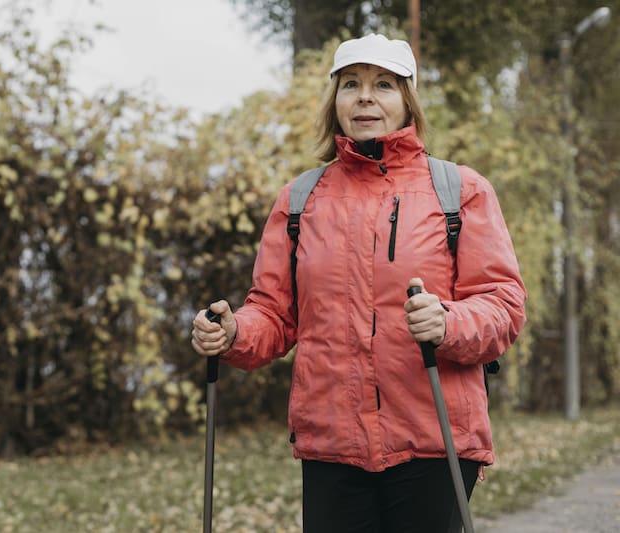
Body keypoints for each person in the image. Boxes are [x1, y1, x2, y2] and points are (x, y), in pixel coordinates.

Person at [191, 33, 526, 532]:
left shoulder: (460, 191)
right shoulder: (300, 200)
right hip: (332, 443)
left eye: (383, 85)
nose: (365, 97)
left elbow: (503, 304)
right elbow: (274, 313)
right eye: (351, 84)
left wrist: (448, 322)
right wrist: (234, 332)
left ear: (407, 101)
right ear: (335, 101)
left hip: (434, 439)